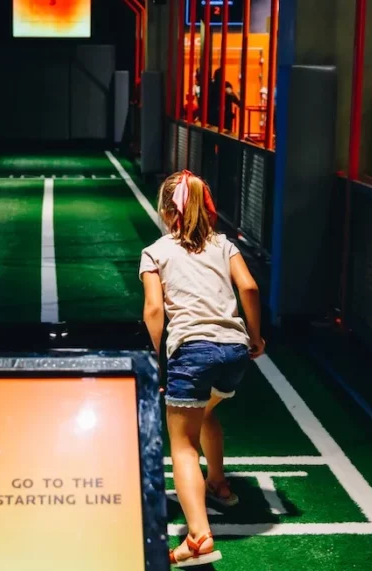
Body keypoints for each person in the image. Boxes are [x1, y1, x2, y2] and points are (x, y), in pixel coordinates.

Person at [139, 171, 264, 568]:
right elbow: (249, 288)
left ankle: (198, 535)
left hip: (192, 353)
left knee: (182, 445)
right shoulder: (223, 245)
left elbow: (155, 309)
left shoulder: (155, 252)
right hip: (233, 352)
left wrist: (153, 361)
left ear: (165, 211)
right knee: (207, 413)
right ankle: (219, 483)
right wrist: (256, 337)